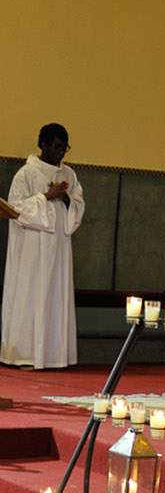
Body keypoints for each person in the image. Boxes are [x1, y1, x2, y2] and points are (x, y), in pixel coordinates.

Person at [1, 124, 85, 369]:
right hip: (31, 248)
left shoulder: (70, 174)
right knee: (30, 296)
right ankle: (23, 354)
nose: (61, 153)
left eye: (65, 148)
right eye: (57, 147)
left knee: (55, 295)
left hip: (58, 247)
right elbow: (14, 209)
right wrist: (47, 197)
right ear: (43, 145)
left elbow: (78, 206)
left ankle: (53, 356)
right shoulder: (26, 174)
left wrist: (66, 197)